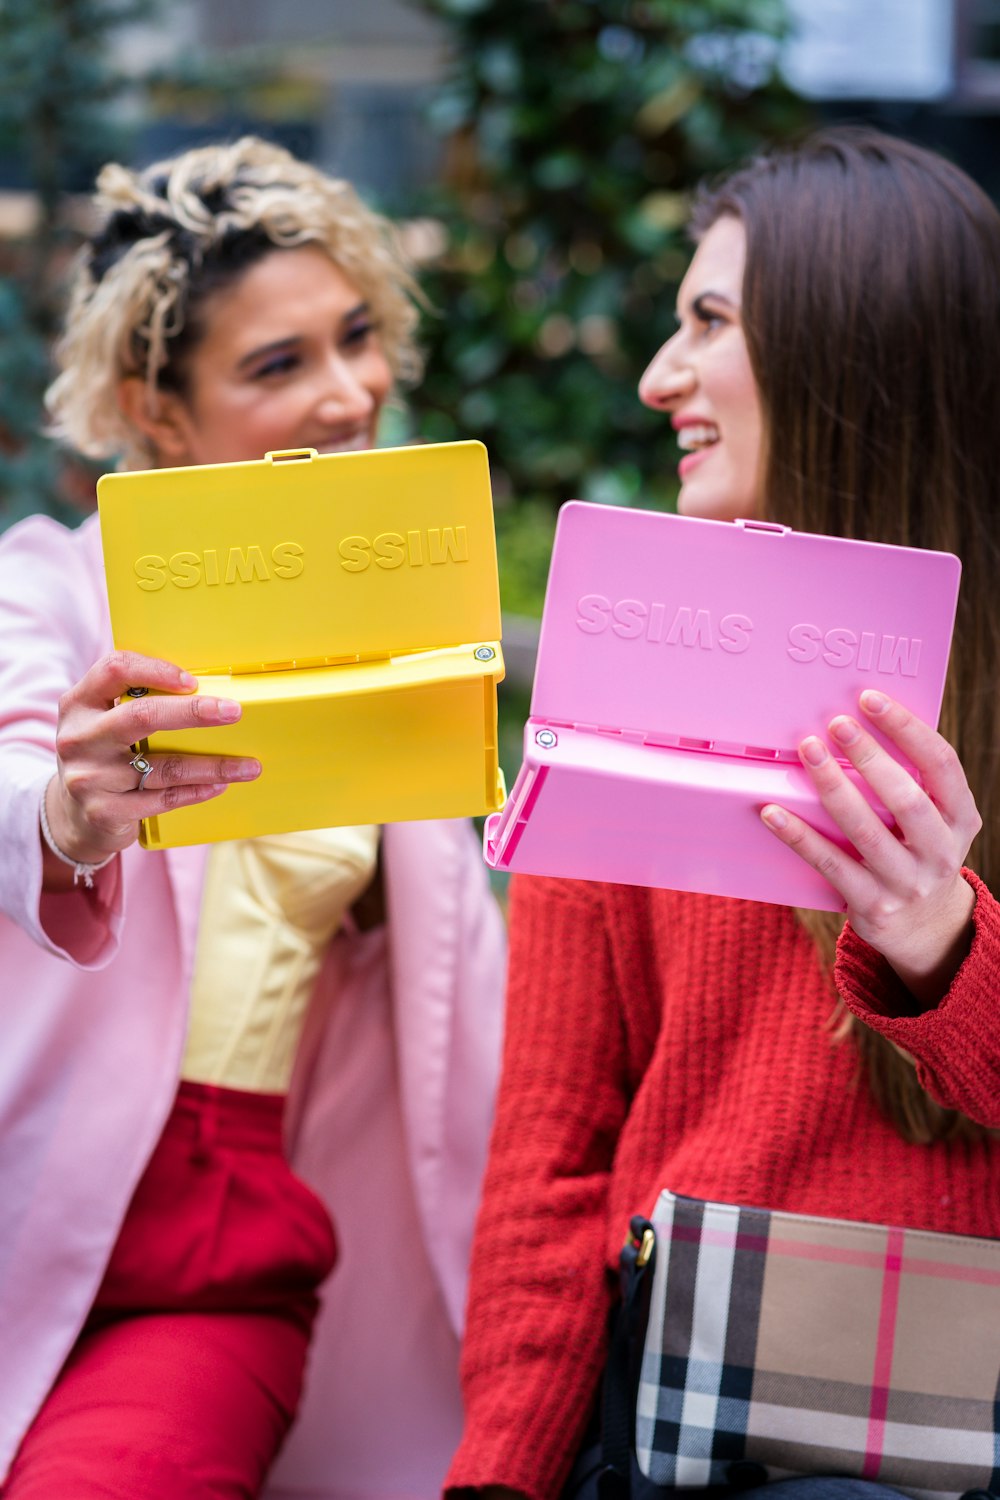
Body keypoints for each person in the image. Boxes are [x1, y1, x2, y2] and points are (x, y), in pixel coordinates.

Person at [445, 127, 1000, 1500]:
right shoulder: (623, 685)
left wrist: (941, 941)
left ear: (851, 345)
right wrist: (497, 1482)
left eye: (706, 322)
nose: (656, 379)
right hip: (679, 1433)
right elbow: (553, 1167)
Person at [0, 136, 505, 1500]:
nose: (350, 394)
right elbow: (10, 764)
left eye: (357, 339)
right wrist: (65, 815)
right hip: (22, 1201)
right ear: (153, 410)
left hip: (217, 1260)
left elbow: (470, 1010)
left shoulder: (410, 635)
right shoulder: (44, 597)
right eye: (279, 365)